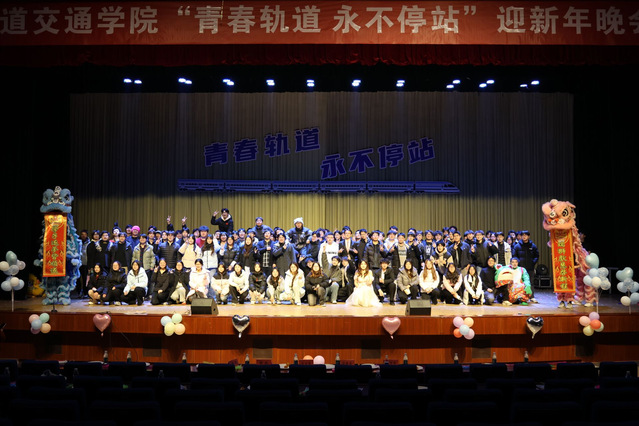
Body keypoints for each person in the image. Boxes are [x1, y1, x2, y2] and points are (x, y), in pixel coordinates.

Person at [512, 230, 540, 303]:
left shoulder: (532, 246)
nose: (524, 237)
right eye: (523, 235)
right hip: (520, 268)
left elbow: (536, 255)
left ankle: (531, 297)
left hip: (530, 267)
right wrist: (518, 263)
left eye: (526, 235)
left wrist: (533, 263)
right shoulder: (517, 246)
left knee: (530, 282)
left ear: (528, 236)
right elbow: (514, 256)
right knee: (520, 282)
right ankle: (520, 296)